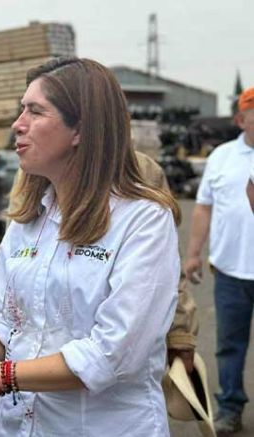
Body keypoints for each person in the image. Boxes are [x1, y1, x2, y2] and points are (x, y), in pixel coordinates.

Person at [0, 57, 182, 436]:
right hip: (16, 426)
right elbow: (9, 319)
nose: (17, 124)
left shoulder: (142, 220)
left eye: (35, 111)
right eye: (21, 109)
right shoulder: (29, 216)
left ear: (81, 130)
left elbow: (113, 354)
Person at [10, 151, 199, 374]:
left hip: (109, 363)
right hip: (36, 362)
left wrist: (179, 335)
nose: (20, 125)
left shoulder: (140, 169)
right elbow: (16, 259)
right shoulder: (33, 172)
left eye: (38, 113)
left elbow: (163, 270)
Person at [183, 86, 254, 435]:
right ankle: (230, 406)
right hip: (230, 271)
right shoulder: (222, 157)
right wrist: (193, 254)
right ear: (241, 119)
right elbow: (203, 207)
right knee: (229, 346)